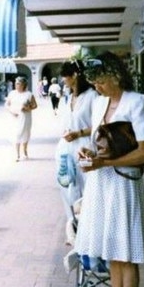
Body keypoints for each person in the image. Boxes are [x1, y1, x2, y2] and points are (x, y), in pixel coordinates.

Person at [75, 52, 144, 287]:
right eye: (94, 83)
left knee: (125, 251)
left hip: (122, 185)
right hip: (100, 184)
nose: (98, 87)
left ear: (117, 75)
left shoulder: (137, 102)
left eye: (102, 81)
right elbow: (102, 143)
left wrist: (105, 164)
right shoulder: (99, 104)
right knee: (111, 249)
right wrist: (88, 152)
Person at [57, 59, 98, 245]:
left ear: (74, 76)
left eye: (65, 76)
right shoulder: (68, 97)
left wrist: (79, 132)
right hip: (68, 149)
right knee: (68, 188)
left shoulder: (91, 96)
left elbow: (99, 125)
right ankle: (74, 227)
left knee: (88, 189)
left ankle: (90, 229)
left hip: (85, 147)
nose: (63, 80)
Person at [5, 76, 37, 161]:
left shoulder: (29, 94)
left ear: (23, 85)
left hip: (25, 117)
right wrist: (11, 112)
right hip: (14, 117)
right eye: (16, 83)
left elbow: (35, 105)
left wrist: (28, 108)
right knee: (16, 134)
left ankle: (25, 151)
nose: (16, 85)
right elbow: (7, 105)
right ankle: (17, 154)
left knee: (25, 133)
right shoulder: (12, 93)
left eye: (18, 83)